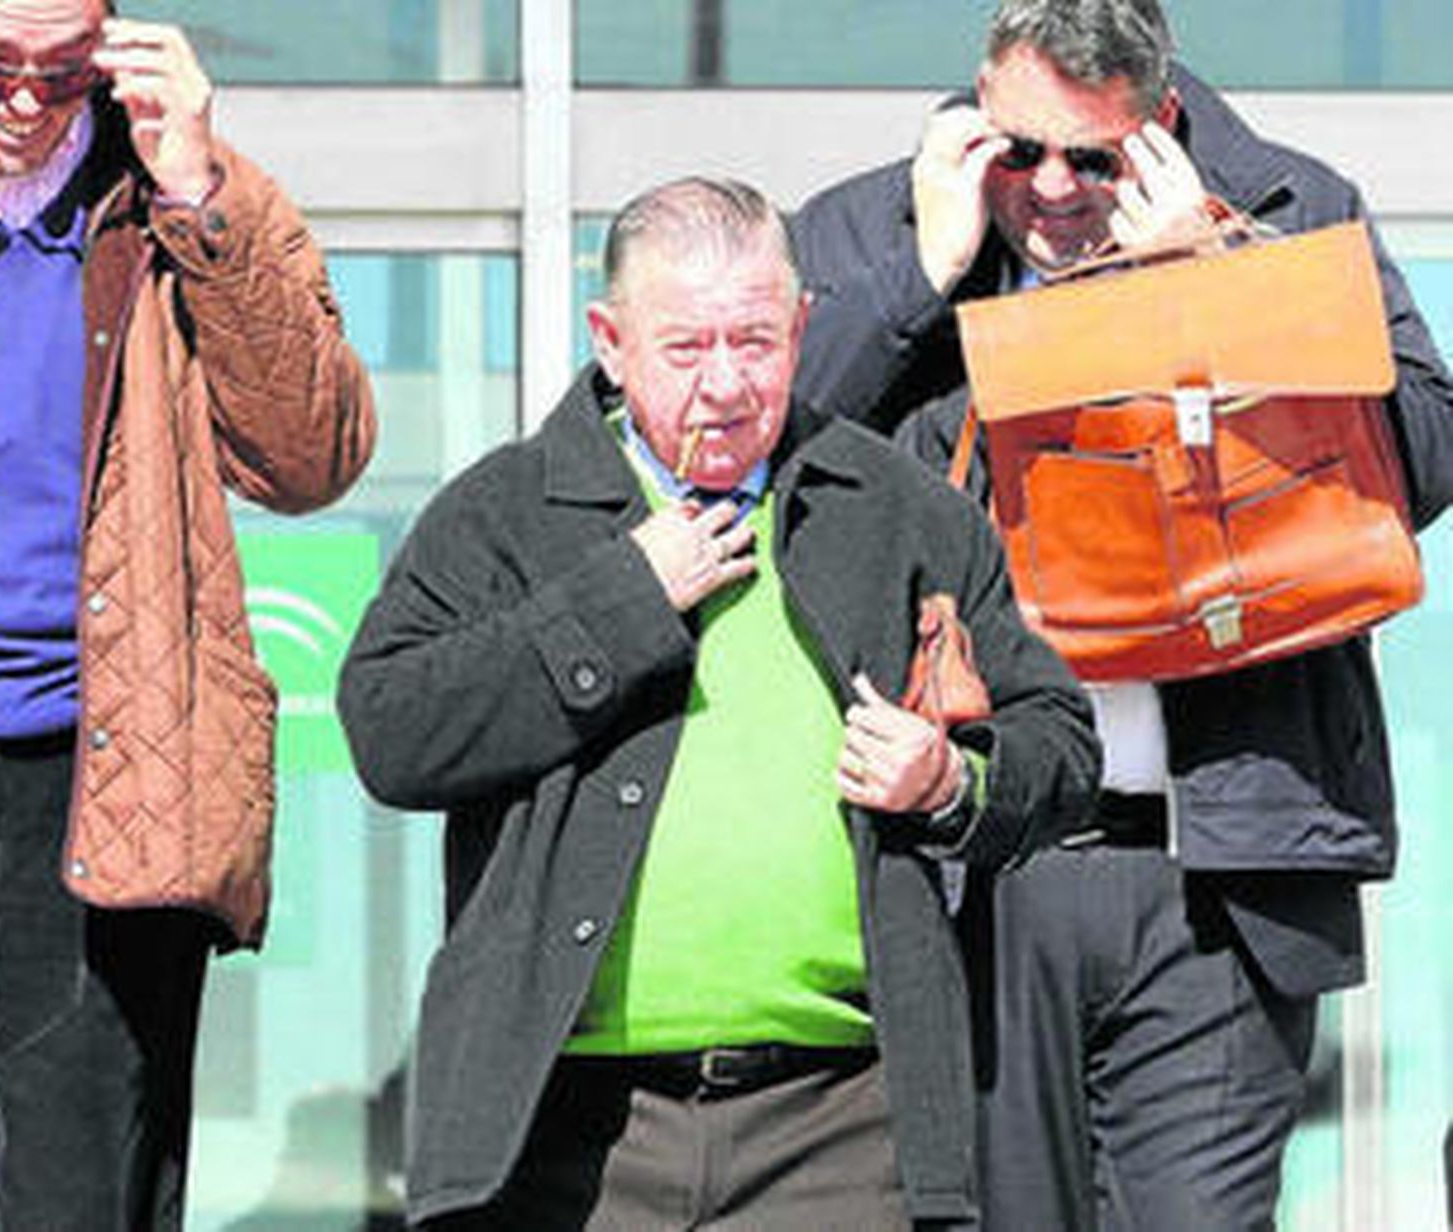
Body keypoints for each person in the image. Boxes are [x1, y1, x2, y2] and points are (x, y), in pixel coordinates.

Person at [788, 1, 1453, 1229]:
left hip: (1218, 868)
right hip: (969, 861)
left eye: (1089, 158)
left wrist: (1222, 286)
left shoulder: (1290, 208)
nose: (1048, 188)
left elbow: (1422, 457)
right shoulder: (873, 230)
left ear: (1160, 120)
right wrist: (914, 285)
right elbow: (760, 465)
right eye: (1016, 148)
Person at [338, 177, 1099, 1230]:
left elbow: (1061, 745)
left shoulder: (899, 511)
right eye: (687, 348)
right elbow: (390, 728)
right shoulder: (506, 511)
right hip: (565, 1124)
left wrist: (948, 782)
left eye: (755, 342)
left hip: (842, 1122)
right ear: (610, 342)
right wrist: (623, 600)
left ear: (800, 327)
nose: (727, 384)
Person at [0, 0, 376, 1227]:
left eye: (62, 70)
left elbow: (312, 455)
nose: (27, 102)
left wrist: (197, 191)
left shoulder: (175, 192)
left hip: (110, 768)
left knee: (89, 1197)